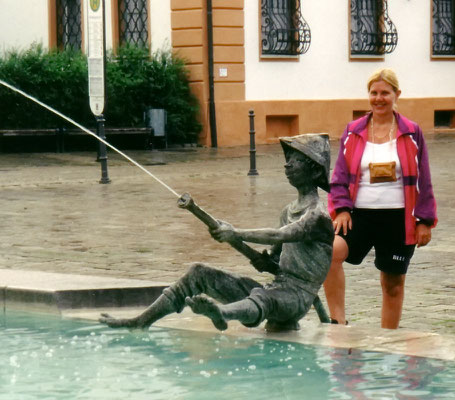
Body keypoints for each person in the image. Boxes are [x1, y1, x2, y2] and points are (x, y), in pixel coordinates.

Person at [100, 134, 334, 332]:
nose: (287, 164)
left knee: (261, 298)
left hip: (296, 299)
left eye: (296, 159)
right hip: (275, 290)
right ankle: (140, 323)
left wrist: (236, 232)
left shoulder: (317, 216)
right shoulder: (288, 211)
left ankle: (220, 313)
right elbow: (272, 263)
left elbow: (278, 235)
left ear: (314, 171)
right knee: (198, 273)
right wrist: (246, 248)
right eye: (288, 158)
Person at [324, 68, 437, 329]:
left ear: (397, 95)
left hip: (398, 217)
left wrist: (424, 221)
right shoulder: (354, 131)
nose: (378, 98)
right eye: (373, 93)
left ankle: (388, 338)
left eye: (385, 93)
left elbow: (424, 179)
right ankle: (338, 322)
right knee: (330, 252)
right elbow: (339, 174)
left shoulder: (411, 132)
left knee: (393, 283)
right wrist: (341, 209)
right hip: (360, 215)